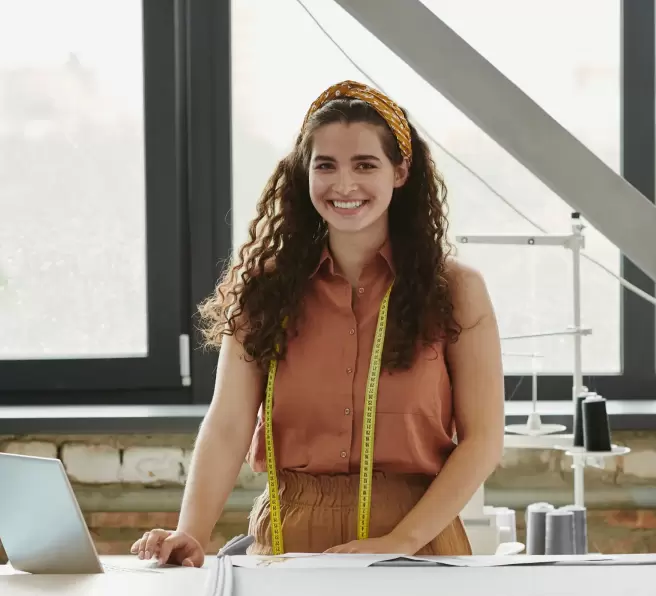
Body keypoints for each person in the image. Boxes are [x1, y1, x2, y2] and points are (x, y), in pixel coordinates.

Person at [131, 80, 505, 567]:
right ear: (303, 174)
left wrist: (403, 540)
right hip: (291, 533)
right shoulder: (263, 291)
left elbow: (484, 440)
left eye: (365, 165)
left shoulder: (456, 291)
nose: (343, 185)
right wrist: (191, 533)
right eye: (325, 165)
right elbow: (228, 424)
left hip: (417, 538)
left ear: (400, 172)